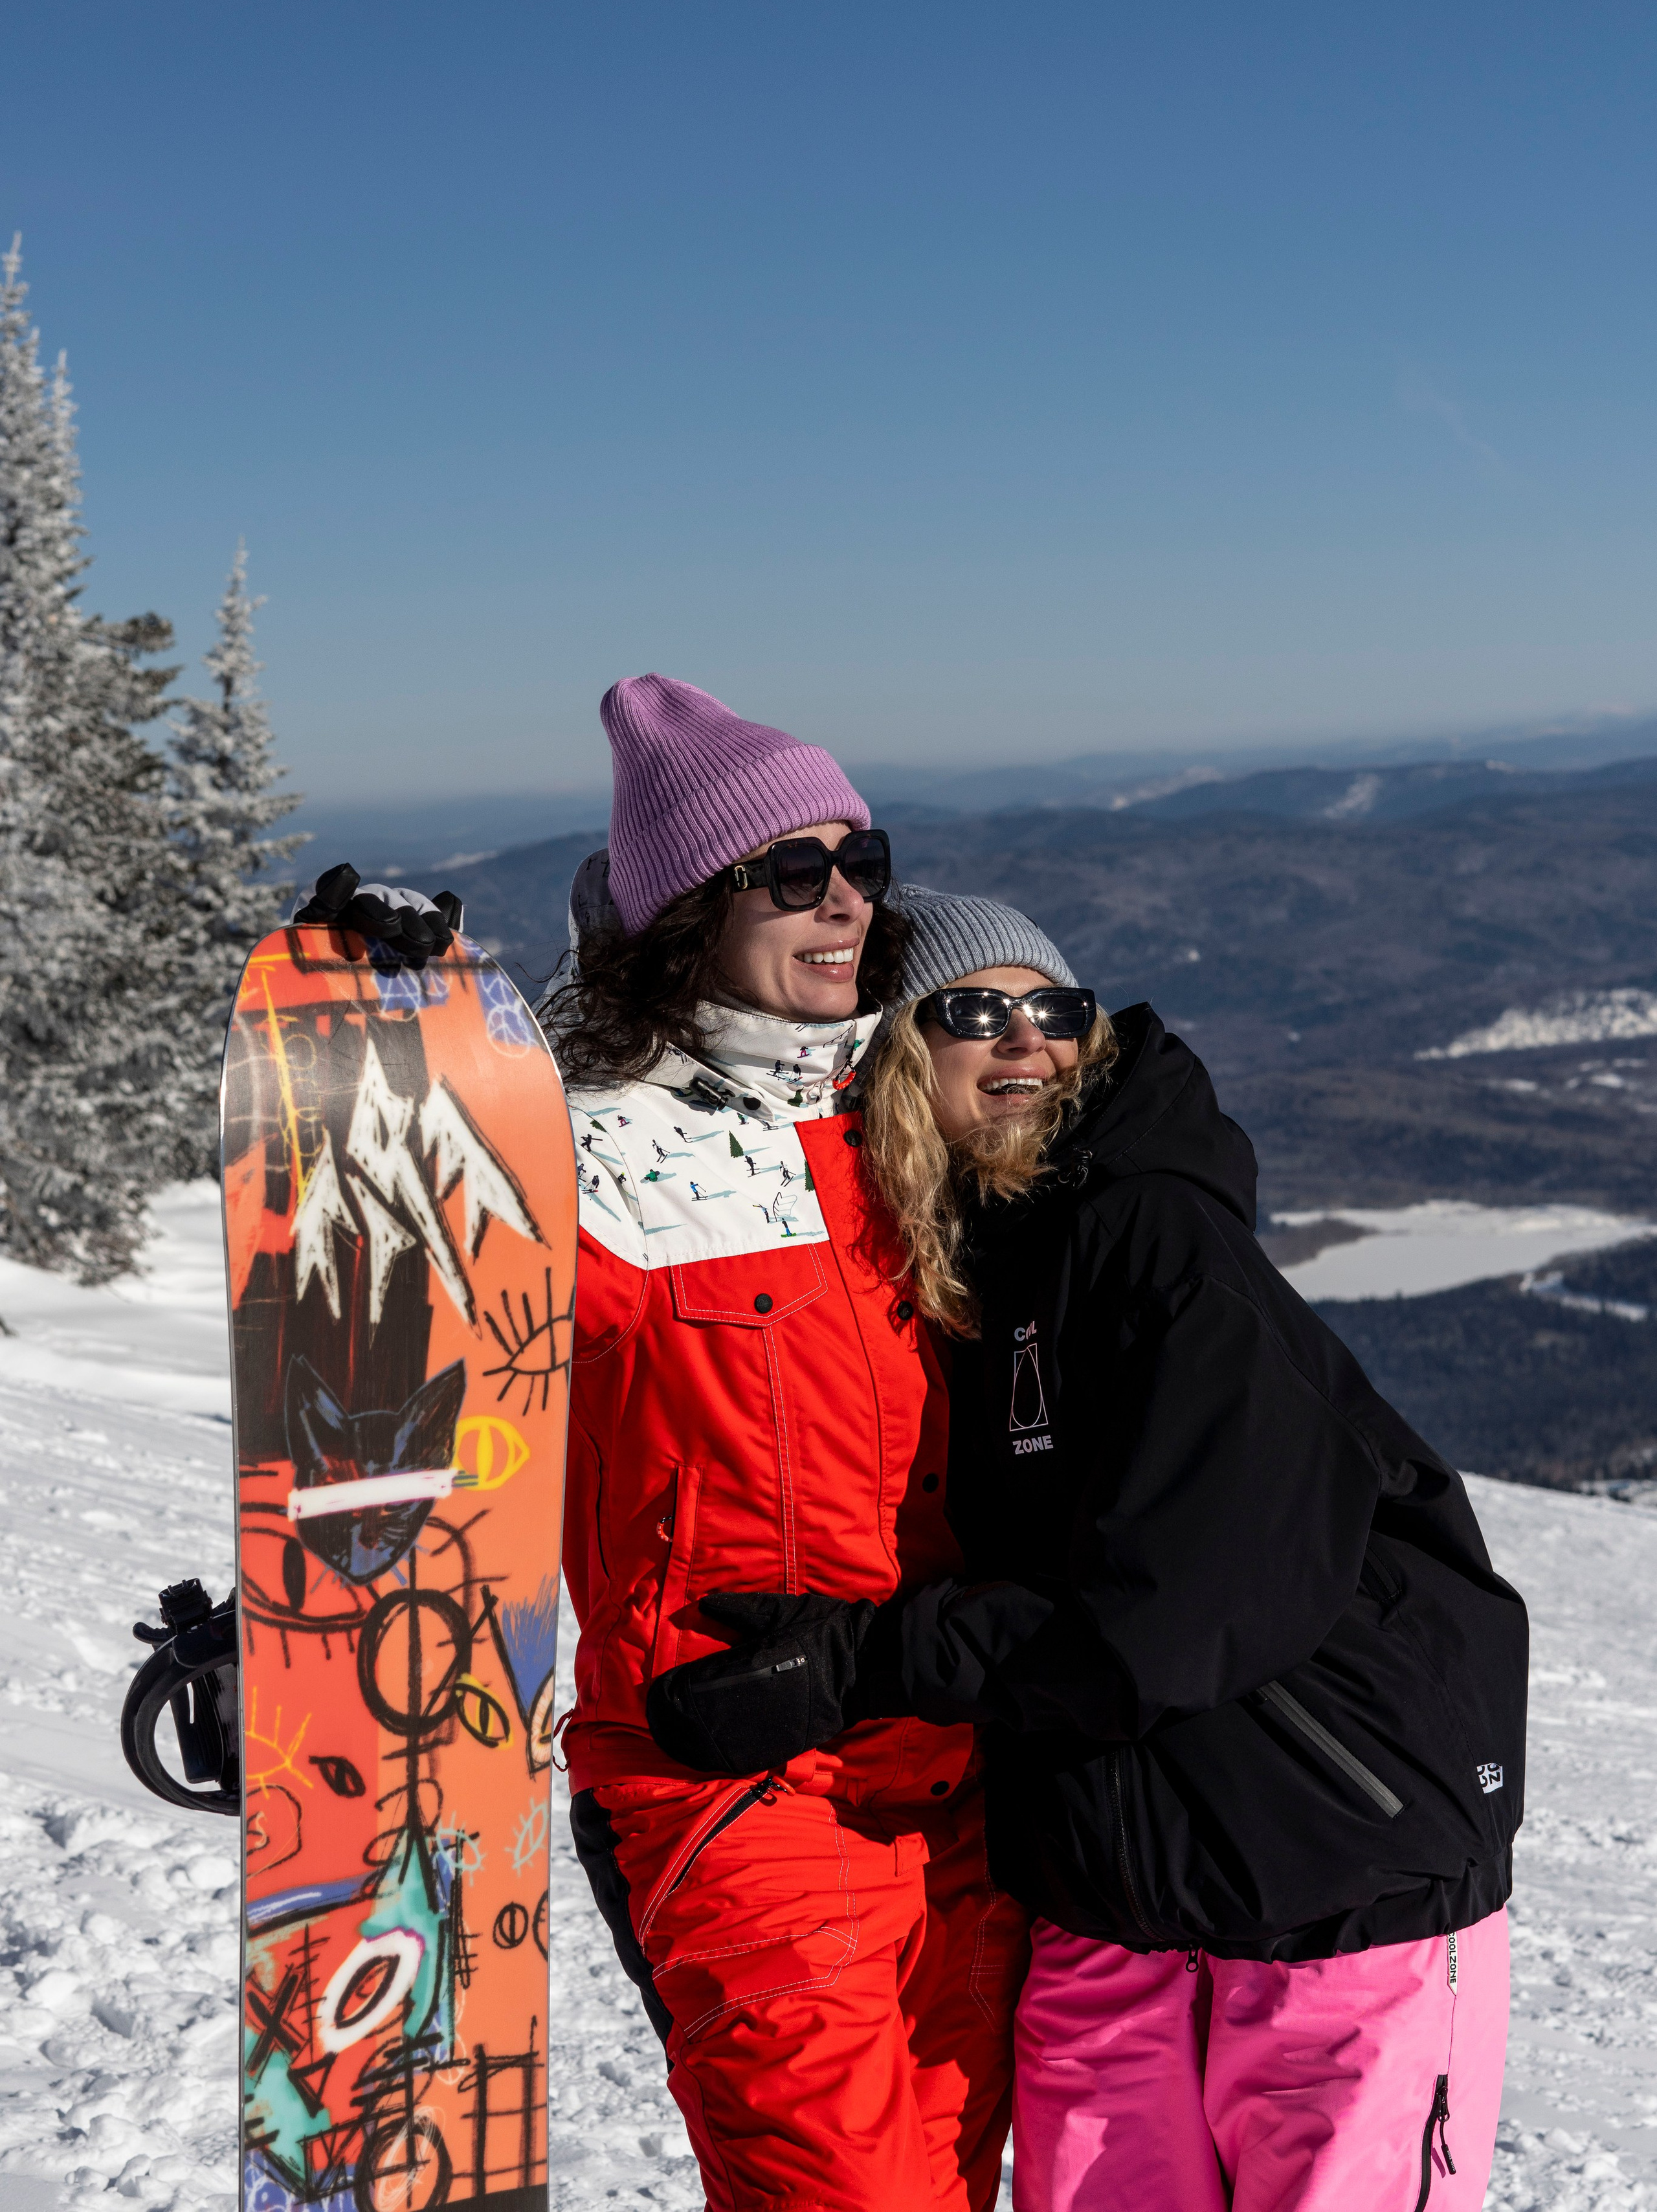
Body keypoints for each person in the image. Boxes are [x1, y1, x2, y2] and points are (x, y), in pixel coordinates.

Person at [649, 886, 1527, 2212]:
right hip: (1106, 1916)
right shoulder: (951, 1274)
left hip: (1335, 1890)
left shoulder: (1153, 1239)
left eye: (1055, 1010)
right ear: (890, 1055)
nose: (1027, 1040)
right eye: (972, 1012)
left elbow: (1176, 1616)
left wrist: (861, 1663)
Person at [542, 689, 1024, 2212]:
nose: (843, 902)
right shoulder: (577, 1153)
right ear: (689, 910)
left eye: (859, 863)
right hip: (731, 1789)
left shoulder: (906, 1126)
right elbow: (405, 1390)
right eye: (792, 871)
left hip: (953, 1783)